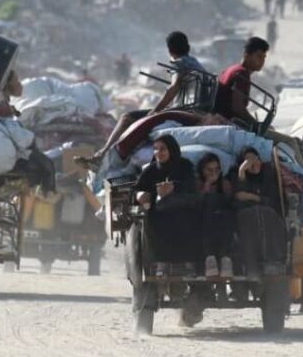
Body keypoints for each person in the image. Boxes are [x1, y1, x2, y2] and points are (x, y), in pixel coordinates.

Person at [84, 32, 206, 166]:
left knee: (127, 117)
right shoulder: (195, 63)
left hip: (183, 111)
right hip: (195, 109)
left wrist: (155, 110)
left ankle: (102, 155)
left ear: (169, 50)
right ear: (188, 47)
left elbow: (174, 86)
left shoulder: (178, 63)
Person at [134, 135, 200, 276]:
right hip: (158, 211)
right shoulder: (151, 170)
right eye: (155, 149)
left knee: (187, 218)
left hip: (183, 207)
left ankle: (187, 261)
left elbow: (191, 186)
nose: (158, 152)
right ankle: (161, 262)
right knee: (153, 219)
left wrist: (173, 187)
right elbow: (136, 190)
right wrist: (140, 195)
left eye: (162, 149)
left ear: (172, 149)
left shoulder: (185, 166)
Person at [228, 147, 285, 278]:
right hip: (246, 219)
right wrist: (241, 174)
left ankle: (272, 261)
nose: (254, 163)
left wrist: (252, 197)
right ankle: (250, 266)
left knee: (265, 213)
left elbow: (274, 201)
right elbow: (237, 202)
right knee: (248, 215)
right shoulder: (236, 176)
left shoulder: (268, 175)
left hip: (269, 217)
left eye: (255, 159)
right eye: (248, 161)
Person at [196, 153, 234, 278]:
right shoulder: (197, 183)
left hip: (222, 219)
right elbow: (196, 201)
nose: (213, 173)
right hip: (203, 219)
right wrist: (207, 186)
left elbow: (230, 201)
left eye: (216, 169)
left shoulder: (224, 183)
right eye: (209, 170)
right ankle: (210, 257)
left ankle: (225, 258)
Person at [214, 37, 269, 125]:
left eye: (264, 57)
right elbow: (237, 108)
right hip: (226, 121)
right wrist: (255, 124)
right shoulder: (241, 73)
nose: (262, 61)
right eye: (258, 56)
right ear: (246, 55)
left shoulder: (232, 68)